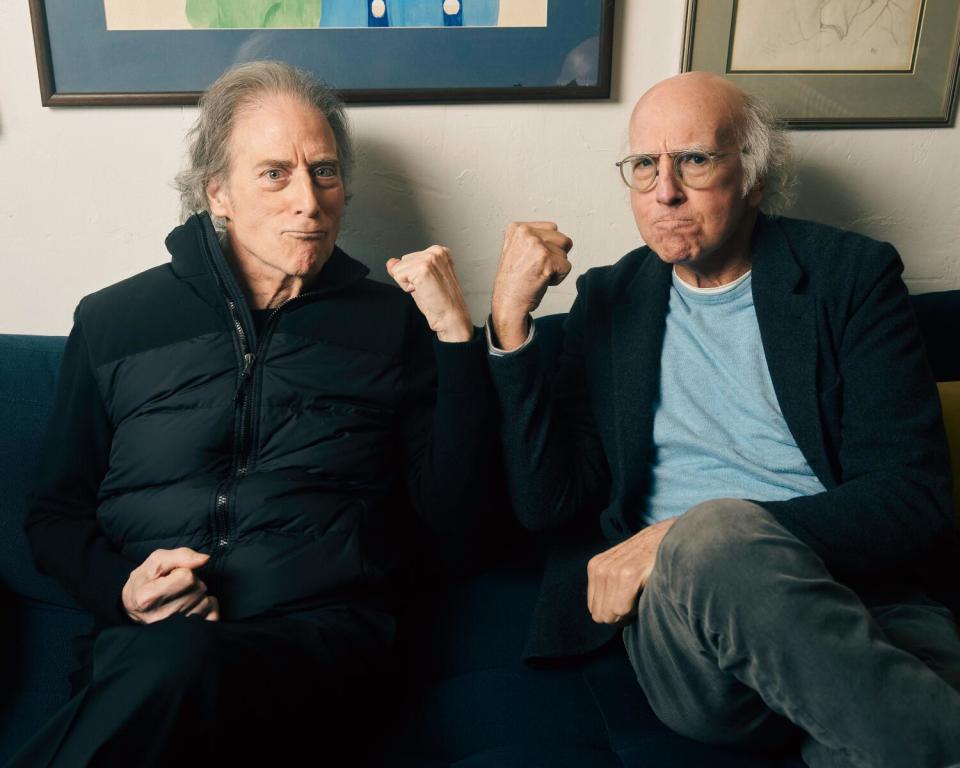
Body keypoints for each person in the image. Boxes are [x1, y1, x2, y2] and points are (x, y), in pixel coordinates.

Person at [15, 60, 491, 766]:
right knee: (170, 664)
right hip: (155, 643)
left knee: (174, 676)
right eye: (276, 174)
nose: (310, 200)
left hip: (321, 642)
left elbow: (454, 529)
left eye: (325, 173)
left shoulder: (391, 325)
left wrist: (455, 338)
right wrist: (125, 586)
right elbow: (54, 517)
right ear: (218, 193)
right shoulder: (116, 321)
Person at [487, 71, 960, 766]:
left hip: (865, 604)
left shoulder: (849, 279)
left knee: (858, 738)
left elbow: (912, 499)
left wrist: (677, 531)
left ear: (756, 178)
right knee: (714, 537)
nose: (665, 190)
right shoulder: (610, 300)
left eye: (695, 160)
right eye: (645, 164)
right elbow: (548, 504)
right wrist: (510, 322)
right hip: (691, 643)